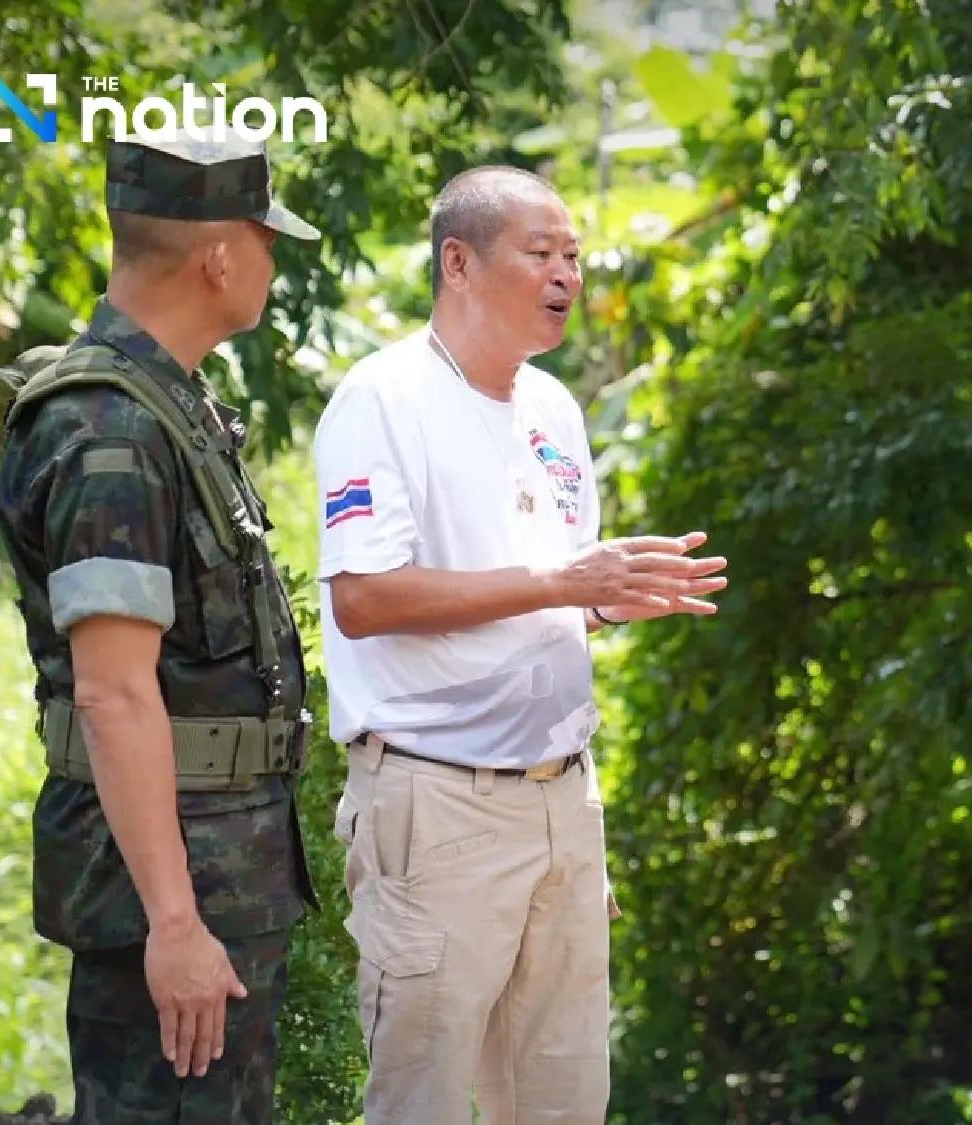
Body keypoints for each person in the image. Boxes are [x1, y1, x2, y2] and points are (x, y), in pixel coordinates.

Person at [312, 164, 727, 1125]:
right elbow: (365, 598)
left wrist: (612, 599)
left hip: (562, 798)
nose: (567, 275)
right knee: (422, 1102)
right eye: (540, 252)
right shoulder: (384, 397)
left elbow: (542, 592)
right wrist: (562, 584)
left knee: (562, 1100)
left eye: (574, 256)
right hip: (437, 801)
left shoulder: (553, 409)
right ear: (457, 262)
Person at [0, 134, 323, 1123]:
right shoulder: (113, 431)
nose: (273, 262)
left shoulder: (167, 409)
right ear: (221, 255)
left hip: (220, 870)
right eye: (267, 240)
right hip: (169, 890)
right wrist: (175, 925)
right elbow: (112, 689)